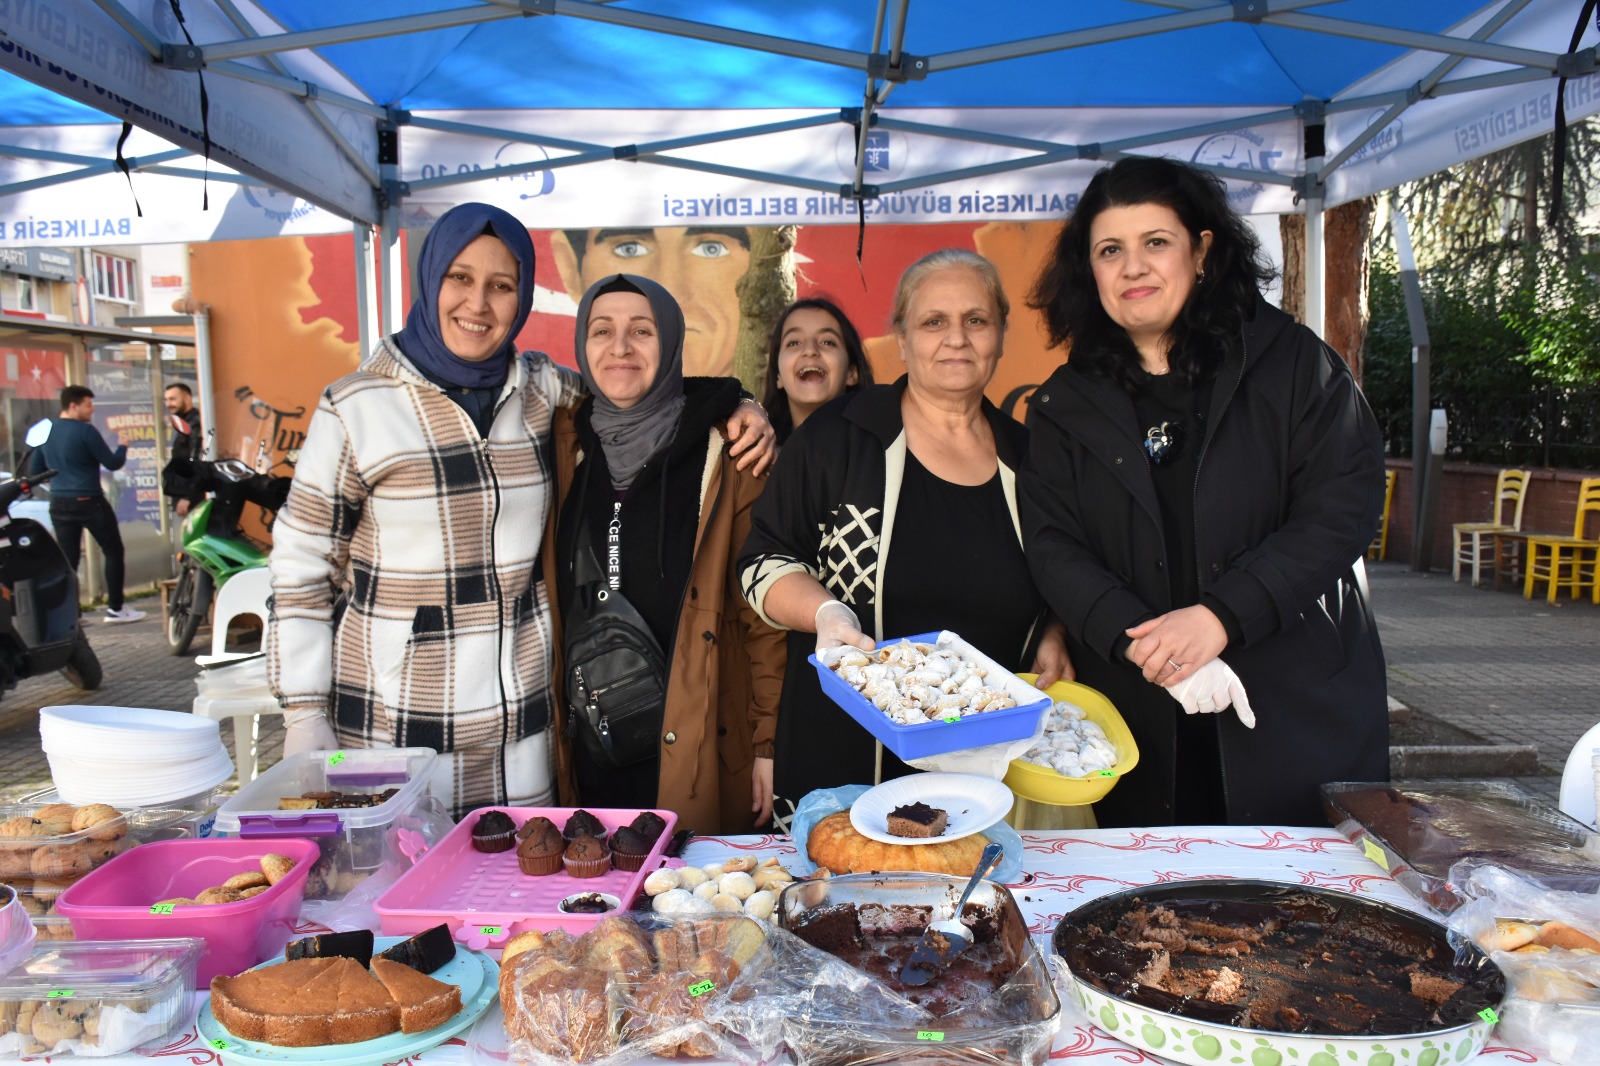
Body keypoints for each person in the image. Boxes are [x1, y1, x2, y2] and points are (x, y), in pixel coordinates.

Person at [268, 204, 775, 816]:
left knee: (511, 899)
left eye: (500, 286)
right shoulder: (356, 407)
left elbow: (636, 387)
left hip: (523, 737)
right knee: (401, 896)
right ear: (430, 282)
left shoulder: (540, 390)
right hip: (395, 725)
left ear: (524, 297)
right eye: (460, 278)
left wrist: (739, 404)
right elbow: (301, 571)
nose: (478, 304)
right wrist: (303, 714)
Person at [1020, 156, 1388, 828]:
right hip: (1141, 717)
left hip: (1291, 708)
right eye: (1110, 250)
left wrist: (1221, 615)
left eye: (1155, 242)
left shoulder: (1296, 365)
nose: (1133, 268)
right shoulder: (1061, 406)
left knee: (1297, 916)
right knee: (1152, 920)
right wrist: (1143, 645)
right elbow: (1053, 548)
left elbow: (1342, 510)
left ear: (1203, 249)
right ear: (1089, 270)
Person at [739, 250, 1071, 820]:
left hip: (987, 781)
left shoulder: (1031, 458)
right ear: (901, 337)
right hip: (845, 763)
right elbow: (762, 562)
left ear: (1001, 335)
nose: (956, 339)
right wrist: (825, 613)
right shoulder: (838, 437)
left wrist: (1055, 628)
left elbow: (1067, 567)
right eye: (933, 322)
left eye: (975, 320)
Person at [549, 273, 786, 833]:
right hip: (590, 751)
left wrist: (769, 745)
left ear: (673, 342)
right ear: (582, 344)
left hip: (696, 748)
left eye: (643, 330)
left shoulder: (729, 455)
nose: (621, 347)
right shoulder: (563, 444)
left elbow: (765, 620)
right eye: (602, 330)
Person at [551, 226, 750, 377]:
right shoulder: (556, 409)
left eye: (711, 249)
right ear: (570, 268)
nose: (671, 292)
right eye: (629, 249)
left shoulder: (767, 424)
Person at [37, 386, 145, 624]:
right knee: (113, 550)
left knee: (68, 560)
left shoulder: (44, 431)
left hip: (59, 503)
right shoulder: (86, 432)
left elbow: (35, 469)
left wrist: (61, 476)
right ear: (73, 406)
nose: (92, 409)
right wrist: (123, 445)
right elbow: (113, 463)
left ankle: (71, 616)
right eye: (88, 404)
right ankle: (115, 609)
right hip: (90, 501)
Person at [760, 297, 874, 445]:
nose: (810, 350)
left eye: (827, 342)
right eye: (794, 342)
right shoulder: (756, 459)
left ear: (851, 373)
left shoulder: (883, 454)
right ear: (778, 376)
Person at [163, 383, 203, 517]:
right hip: (187, 493)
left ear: (187, 399)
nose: (168, 404)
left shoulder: (194, 423)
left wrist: (188, 497)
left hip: (194, 497)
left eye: (173, 399)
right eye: (166, 399)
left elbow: (198, 460)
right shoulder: (185, 422)